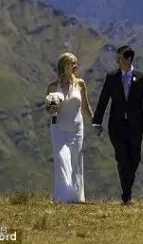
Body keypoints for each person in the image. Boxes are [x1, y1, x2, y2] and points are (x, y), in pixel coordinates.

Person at [92, 45, 143, 205]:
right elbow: (103, 99)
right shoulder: (112, 76)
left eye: (119, 58)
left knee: (135, 159)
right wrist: (97, 122)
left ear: (128, 59)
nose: (117, 61)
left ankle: (126, 193)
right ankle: (127, 196)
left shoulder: (142, 77)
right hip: (116, 126)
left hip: (135, 126)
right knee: (122, 159)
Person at [45, 52, 94, 203]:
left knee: (76, 162)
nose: (76, 66)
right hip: (59, 129)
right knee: (62, 160)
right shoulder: (53, 86)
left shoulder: (80, 84)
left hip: (76, 130)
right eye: (73, 63)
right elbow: (48, 110)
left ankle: (76, 197)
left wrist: (95, 121)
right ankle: (63, 197)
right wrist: (51, 108)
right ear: (64, 65)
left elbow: (85, 106)